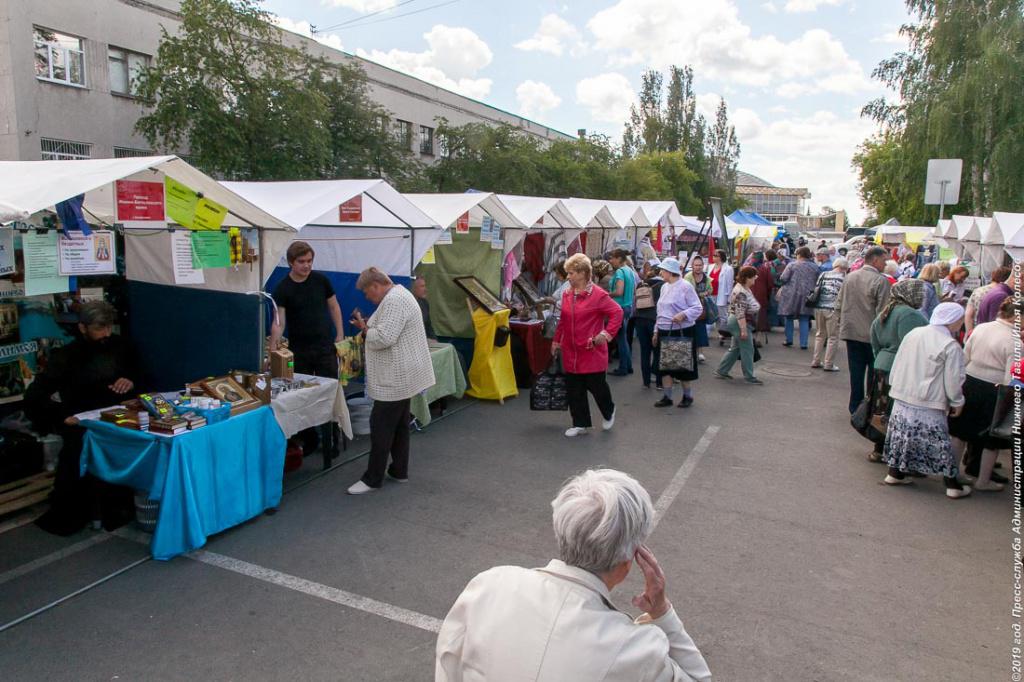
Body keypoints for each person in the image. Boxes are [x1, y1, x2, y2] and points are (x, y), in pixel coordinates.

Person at [435, 468, 712, 682]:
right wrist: (662, 612)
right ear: (629, 562)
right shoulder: (637, 647)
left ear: (562, 529)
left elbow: (448, 664)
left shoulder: (489, 585)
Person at [26, 301, 138, 535]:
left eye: (109, 327)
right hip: (79, 420)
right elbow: (36, 395)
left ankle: (117, 508)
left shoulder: (121, 346)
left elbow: (141, 374)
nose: (106, 334)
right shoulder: (66, 357)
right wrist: (62, 418)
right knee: (78, 453)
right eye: (100, 328)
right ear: (83, 328)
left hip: (116, 416)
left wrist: (129, 381)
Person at [347, 268, 435, 494]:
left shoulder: (395, 300)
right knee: (399, 425)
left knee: (381, 426)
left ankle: (372, 478)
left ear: (376, 285)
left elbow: (385, 337)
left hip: (396, 376)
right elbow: (389, 329)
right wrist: (368, 327)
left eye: (367, 293)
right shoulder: (400, 295)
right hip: (403, 373)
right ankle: (398, 470)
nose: (368, 298)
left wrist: (366, 330)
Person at [881, 303, 971, 499]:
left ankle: (894, 472)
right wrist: (957, 401)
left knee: (901, 435)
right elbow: (954, 378)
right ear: (953, 320)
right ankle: (952, 484)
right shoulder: (950, 345)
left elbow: (899, 361)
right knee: (938, 441)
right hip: (928, 399)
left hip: (903, 393)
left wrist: (894, 384)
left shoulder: (914, 333)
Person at [270, 241, 346, 456]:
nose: (306, 265)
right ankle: (309, 438)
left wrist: (339, 334)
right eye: (302, 262)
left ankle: (332, 441)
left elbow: (334, 306)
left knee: (330, 393)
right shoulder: (283, 288)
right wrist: (274, 348)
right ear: (291, 263)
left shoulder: (321, 280)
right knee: (302, 396)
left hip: (324, 347)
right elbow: (279, 322)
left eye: (310, 261)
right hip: (300, 350)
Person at [948, 296, 1019, 491]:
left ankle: (953, 473)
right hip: (994, 390)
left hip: (970, 381)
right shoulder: (1014, 342)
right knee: (992, 439)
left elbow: (964, 357)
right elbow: (1011, 378)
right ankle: (983, 481)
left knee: (960, 431)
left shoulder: (981, 328)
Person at [552, 254, 623, 437]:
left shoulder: (598, 295)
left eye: (571, 273)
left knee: (597, 387)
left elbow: (617, 312)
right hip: (571, 350)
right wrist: (556, 341)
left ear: (583, 273)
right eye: (568, 273)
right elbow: (563, 321)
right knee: (574, 389)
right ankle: (580, 423)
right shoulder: (567, 294)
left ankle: (609, 410)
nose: (568, 277)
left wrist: (606, 334)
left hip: (591, 350)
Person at [866, 279, 929, 462]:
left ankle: (879, 448)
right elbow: (912, 345)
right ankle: (893, 453)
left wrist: (881, 356)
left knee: (881, 410)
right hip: (899, 368)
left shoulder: (889, 309)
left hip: (882, 364)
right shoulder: (909, 314)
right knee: (896, 412)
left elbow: (874, 335)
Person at [835, 246, 892, 414]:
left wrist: (841, 324)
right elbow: (883, 312)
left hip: (851, 332)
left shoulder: (850, 277)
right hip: (871, 336)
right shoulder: (880, 281)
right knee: (873, 374)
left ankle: (855, 406)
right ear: (874, 260)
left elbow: (839, 302)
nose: (886, 264)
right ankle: (868, 407)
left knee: (856, 372)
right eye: (884, 260)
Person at [652, 257, 703, 408]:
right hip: (664, 330)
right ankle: (667, 397)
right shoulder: (664, 287)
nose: (660, 272)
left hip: (681, 330)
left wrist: (683, 315)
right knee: (665, 367)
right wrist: (656, 331)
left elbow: (697, 307)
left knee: (681, 366)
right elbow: (660, 311)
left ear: (670, 271)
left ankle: (688, 396)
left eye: (663, 270)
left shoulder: (685, 286)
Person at [715, 265, 762, 384]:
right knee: (747, 349)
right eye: (753, 277)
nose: (755, 279)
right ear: (747, 278)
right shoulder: (741, 291)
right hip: (739, 321)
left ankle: (722, 371)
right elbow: (740, 313)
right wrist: (743, 330)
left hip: (736, 321)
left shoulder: (742, 288)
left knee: (735, 348)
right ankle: (749, 376)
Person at [776, 246, 819, 349]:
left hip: (791, 294)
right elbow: (818, 280)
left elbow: (783, 278)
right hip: (808, 295)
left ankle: (789, 340)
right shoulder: (815, 267)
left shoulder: (792, 265)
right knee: (804, 319)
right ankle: (803, 344)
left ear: (798, 254)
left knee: (789, 317)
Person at [811, 257, 848, 372]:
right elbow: (845, 296)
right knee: (832, 337)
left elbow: (817, 288)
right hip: (833, 309)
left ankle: (816, 360)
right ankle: (829, 364)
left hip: (819, 307)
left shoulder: (824, 274)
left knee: (820, 334)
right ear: (845, 268)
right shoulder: (844, 278)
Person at [634, 259, 665, 389]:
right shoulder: (664, 286)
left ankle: (646, 382)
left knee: (645, 351)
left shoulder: (642, 283)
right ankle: (659, 382)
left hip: (640, 319)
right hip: (654, 320)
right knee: (658, 351)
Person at [607, 249, 636, 376]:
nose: (610, 260)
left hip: (619, 308)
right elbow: (633, 290)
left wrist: (606, 294)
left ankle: (623, 368)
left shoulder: (619, 271)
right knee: (623, 338)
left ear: (619, 259)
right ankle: (627, 366)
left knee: (621, 339)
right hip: (628, 306)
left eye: (612, 258)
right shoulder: (630, 271)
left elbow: (619, 291)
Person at [683, 255, 713, 363]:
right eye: (696, 265)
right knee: (690, 330)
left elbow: (710, 290)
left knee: (701, 330)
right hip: (690, 309)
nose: (698, 267)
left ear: (703, 266)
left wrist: (706, 293)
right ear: (692, 266)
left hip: (702, 309)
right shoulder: (687, 277)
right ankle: (690, 352)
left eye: (700, 265)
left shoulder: (706, 278)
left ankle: (700, 352)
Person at [965, 266, 1011, 336]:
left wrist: (969, 333)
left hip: (976, 330)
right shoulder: (1002, 293)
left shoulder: (978, 290)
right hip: (991, 333)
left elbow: (969, 314)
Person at [710, 249, 734, 346]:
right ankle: (713, 331)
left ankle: (724, 333)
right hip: (711, 294)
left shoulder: (728, 269)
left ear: (721, 257)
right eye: (714, 255)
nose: (714, 257)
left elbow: (729, 284)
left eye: (716, 255)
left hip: (721, 294)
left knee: (723, 316)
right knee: (712, 314)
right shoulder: (710, 267)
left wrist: (729, 297)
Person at [751, 249, 776, 334]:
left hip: (750, 293)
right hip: (761, 294)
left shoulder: (748, 268)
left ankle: (751, 328)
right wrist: (768, 293)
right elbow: (770, 283)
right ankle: (759, 330)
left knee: (750, 311)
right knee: (760, 313)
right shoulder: (765, 268)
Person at [411, 275, 436, 340]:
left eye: (425, 286)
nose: (425, 289)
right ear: (413, 288)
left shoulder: (424, 303)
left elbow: (428, 326)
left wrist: (433, 339)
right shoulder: (406, 304)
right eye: (422, 286)